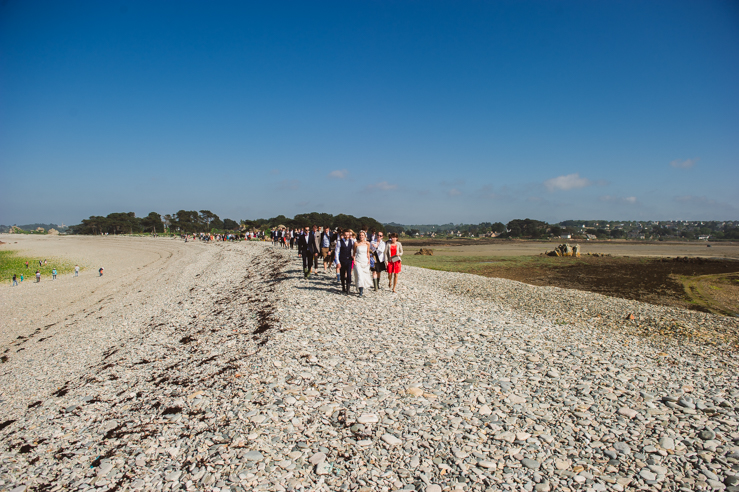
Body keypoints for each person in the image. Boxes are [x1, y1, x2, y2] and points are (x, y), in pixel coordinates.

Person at [353, 231, 373, 296]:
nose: (361, 236)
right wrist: (354, 260)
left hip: (365, 261)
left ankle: (361, 288)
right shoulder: (356, 243)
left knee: (364, 276)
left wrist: (369, 260)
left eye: (362, 235)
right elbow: (354, 253)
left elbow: (368, 253)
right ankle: (360, 291)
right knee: (359, 275)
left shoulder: (367, 243)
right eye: (360, 235)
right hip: (358, 261)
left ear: (365, 236)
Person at [335, 229, 355, 294]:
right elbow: (337, 252)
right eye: (345, 235)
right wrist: (337, 262)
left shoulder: (352, 242)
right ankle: (343, 287)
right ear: (343, 235)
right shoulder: (339, 242)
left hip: (349, 260)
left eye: (348, 235)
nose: (346, 236)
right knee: (342, 275)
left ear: (349, 235)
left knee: (349, 274)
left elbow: (354, 250)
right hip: (342, 260)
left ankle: (348, 288)